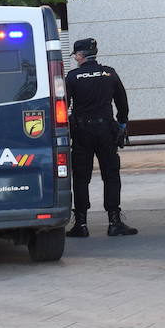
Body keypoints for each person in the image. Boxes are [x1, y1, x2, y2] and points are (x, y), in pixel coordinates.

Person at [64, 37, 138, 238]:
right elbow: (122, 103)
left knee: (81, 177)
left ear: (80, 56)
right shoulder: (109, 73)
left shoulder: (72, 77)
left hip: (82, 132)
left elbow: (63, 105)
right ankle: (114, 222)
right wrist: (121, 124)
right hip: (106, 131)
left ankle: (81, 223)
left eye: (75, 56)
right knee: (111, 175)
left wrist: (70, 124)